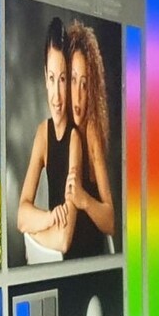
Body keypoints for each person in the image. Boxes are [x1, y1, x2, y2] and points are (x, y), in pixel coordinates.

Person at [16, 18, 83, 257]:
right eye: (52, 78)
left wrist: (34, 230)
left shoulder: (75, 139)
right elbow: (21, 217)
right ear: (45, 78)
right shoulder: (43, 133)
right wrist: (50, 218)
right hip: (56, 256)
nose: (56, 96)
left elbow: (63, 240)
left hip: (79, 258)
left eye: (63, 80)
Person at [62, 19, 115, 254]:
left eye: (85, 84)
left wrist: (83, 199)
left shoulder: (91, 131)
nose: (78, 94)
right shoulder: (58, 130)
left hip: (91, 256)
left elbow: (110, 222)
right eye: (73, 80)